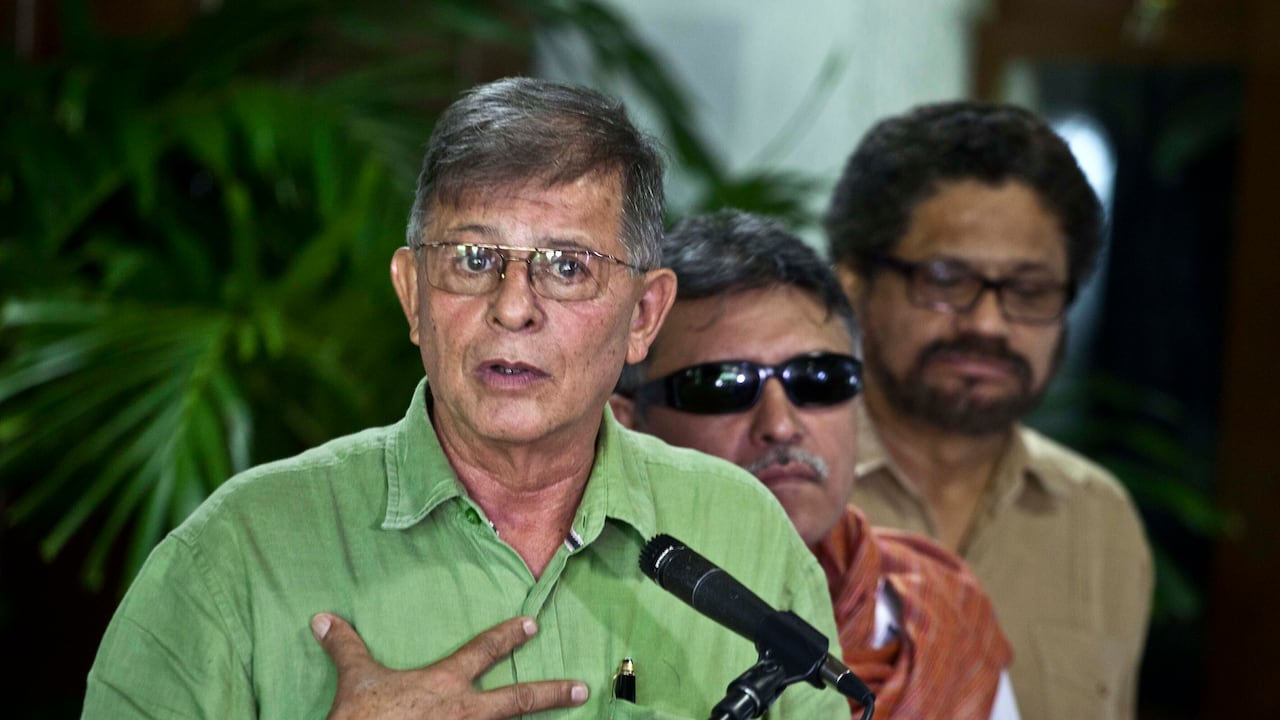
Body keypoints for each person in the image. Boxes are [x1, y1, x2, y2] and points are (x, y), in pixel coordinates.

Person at [81, 78, 848, 719]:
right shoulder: (236, 557)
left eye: (568, 266)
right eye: (474, 259)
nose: (514, 307)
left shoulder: (738, 532)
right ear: (413, 294)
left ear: (643, 316)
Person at [613, 209, 1019, 719]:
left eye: (820, 378)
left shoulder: (942, 620)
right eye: (724, 385)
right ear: (627, 421)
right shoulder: (578, 607)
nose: (781, 425)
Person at [823, 100, 1154, 720]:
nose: (988, 323)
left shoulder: (1098, 521)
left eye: (1029, 291)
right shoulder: (772, 488)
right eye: (947, 280)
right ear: (853, 284)